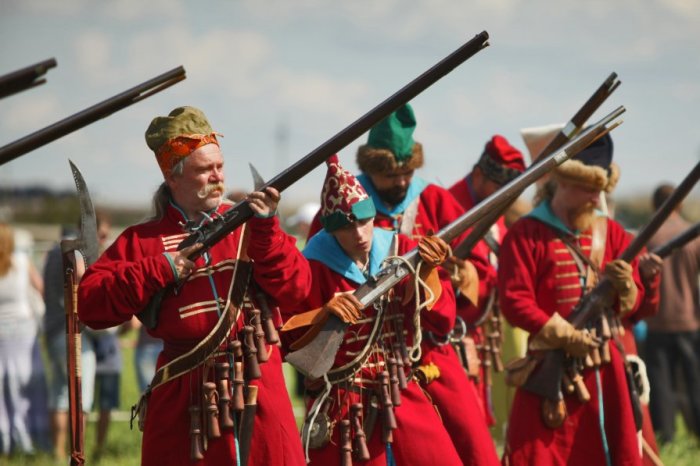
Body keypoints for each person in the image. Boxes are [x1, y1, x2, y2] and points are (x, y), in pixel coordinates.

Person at [77, 106, 311, 465]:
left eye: (219, 166)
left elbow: (297, 289)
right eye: (204, 170)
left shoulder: (252, 225)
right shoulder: (143, 240)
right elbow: (91, 304)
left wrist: (266, 231)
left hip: (259, 386)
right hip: (184, 400)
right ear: (174, 178)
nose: (217, 177)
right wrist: (161, 268)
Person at [305, 105, 498, 464]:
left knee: (475, 446)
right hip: (360, 358)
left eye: (407, 172)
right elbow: (317, 276)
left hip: (429, 345)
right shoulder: (342, 204)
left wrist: (453, 275)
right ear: (371, 169)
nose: (401, 182)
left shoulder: (435, 199)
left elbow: (481, 272)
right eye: (390, 175)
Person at [281, 155, 462, 465]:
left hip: (401, 384)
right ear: (329, 230)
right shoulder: (313, 265)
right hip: (342, 398)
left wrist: (429, 272)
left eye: (365, 222)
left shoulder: (399, 246)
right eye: (349, 227)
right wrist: (324, 313)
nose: (361, 235)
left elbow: (442, 320)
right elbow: (289, 340)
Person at [498, 133, 645, 465]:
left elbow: (634, 307)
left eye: (600, 190)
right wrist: (566, 335)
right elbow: (514, 301)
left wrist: (628, 288)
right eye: (589, 189)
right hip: (549, 367)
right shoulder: (526, 233)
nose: (597, 198)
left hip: (604, 367)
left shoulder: (614, 233)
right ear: (563, 182)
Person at [447, 135, 527, 434]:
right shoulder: (450, 206)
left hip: (483, 330)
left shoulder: (492, 207)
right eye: (499, 189)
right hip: (456, 330)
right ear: (480, 175)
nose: (505, 198)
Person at [644, 183, 700, 443]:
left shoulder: (648, 236)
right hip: (690, 320)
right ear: (678, 203)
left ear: (656, 205)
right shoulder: (693, 233)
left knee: (661, 386)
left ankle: (665, 438)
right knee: (695, 382)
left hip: (656, 322)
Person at [43, 224, 97, 460]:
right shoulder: (72, 253)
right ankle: (74, 452)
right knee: (78, 394)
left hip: (52, 329)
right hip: (70, 330)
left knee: (59, 393)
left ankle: (57, 451)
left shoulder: (51, 254)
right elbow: (85, 280)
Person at [0, 223, 46, 455]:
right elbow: (41, 288)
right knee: (27, 387)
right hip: (23, 331)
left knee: (2, 390)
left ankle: (5, 440)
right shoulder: (21, 261)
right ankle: (30, 438)